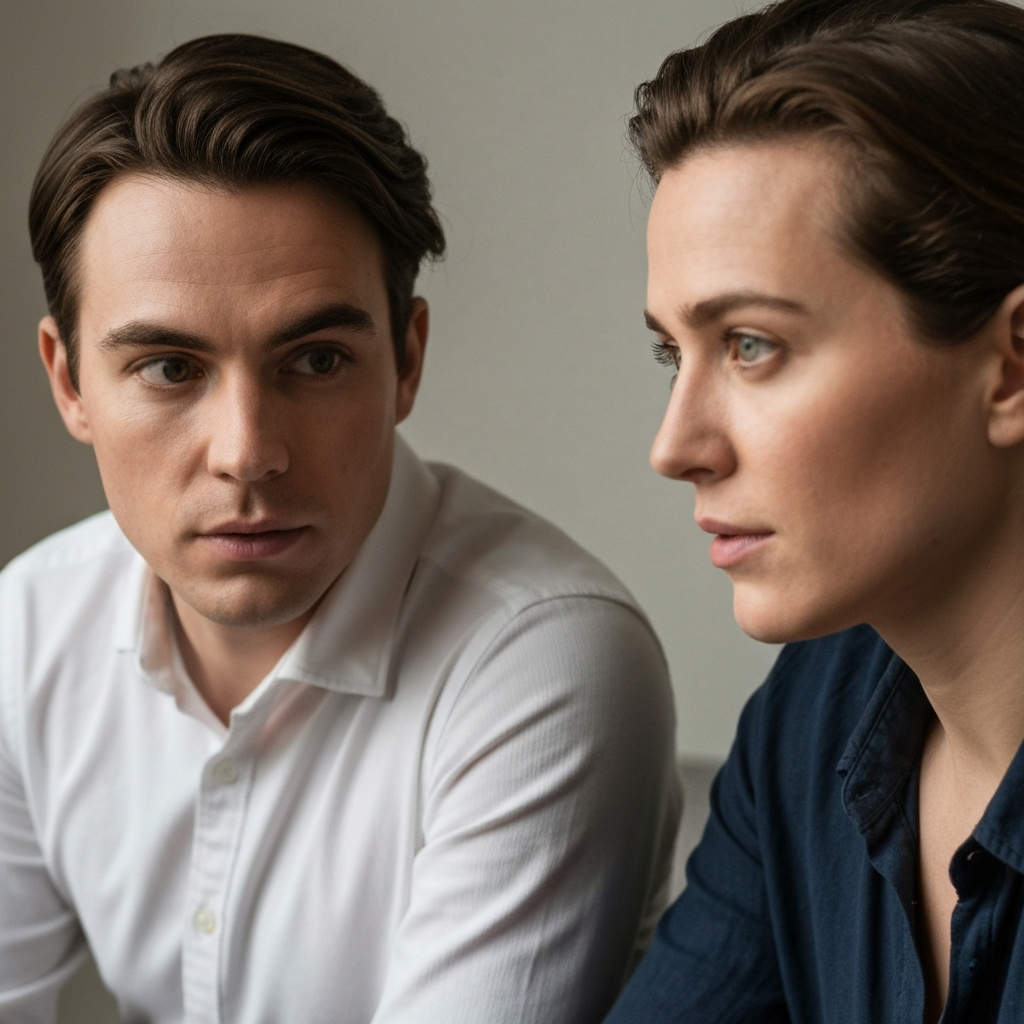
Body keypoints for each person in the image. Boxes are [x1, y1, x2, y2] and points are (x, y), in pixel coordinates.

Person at [0, 35, 680, 1024]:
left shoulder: (547, 659)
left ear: (406, 360)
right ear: (69, 382)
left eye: (314, 360)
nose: (247, 451)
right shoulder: (27, 630)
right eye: (169, 368)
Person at [603, 1, 1024, 1021]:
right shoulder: (815, 715)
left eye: (749, 344)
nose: (674, 446)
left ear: (1011, 368)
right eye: (674, 352)